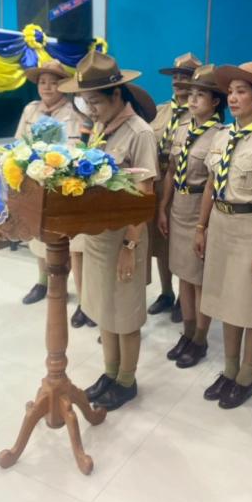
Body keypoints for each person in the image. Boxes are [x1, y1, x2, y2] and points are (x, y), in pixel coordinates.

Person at [58, 50, 158, 411]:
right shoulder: (102, 127)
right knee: (104, 309)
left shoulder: (140, 133)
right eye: (86, 102)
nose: (91, 109)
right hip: (100, 236)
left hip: (125, 237)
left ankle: (127, 381)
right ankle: (110, 372)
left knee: (125, 314)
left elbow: (144, 194)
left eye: (96, 101)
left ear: (117, 94)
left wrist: (130, 245)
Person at [194, 63, 252, 407]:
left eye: (242, 92)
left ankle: (246, 376)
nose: (233, 98)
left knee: (251, 306)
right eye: (231, 92)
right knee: (226, 302)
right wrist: (201, 226)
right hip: (221, 224)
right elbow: (210, 186)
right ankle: (229, 369)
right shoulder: (221, 136)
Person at [158, 65, 226, 368]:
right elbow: (172, 170)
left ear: (215, 102)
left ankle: (200, 338)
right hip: (179, 207)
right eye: (192, 94)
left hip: (201, 207)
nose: (193, 99)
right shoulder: (183, 129)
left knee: (198, 280)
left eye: (201, 95)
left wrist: (203, 224)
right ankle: (187, 332)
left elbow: (215, 183)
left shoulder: (220, 136)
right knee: (183, 275)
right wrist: (163, 207)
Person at [16, 61, 92, 321]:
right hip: (36, 186)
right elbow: (18, 144)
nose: (47, 87)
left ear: (64, 86)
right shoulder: (30, 110)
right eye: (42, 82)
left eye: (54, 82)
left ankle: (84, 300)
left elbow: (81, 150)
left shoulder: (76, 113)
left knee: (75, 245)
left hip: (66, 189)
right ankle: (43, 282)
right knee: (38, 238)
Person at [149, 52, 202, 320]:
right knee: (161, 242)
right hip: (156, 182)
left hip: (182, 185)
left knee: (180, 244)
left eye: (185, 76)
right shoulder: (159, 111)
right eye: (176, 76)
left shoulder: (199, 116)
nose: (178, 81)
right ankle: (166, 292)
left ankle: (185, 297)